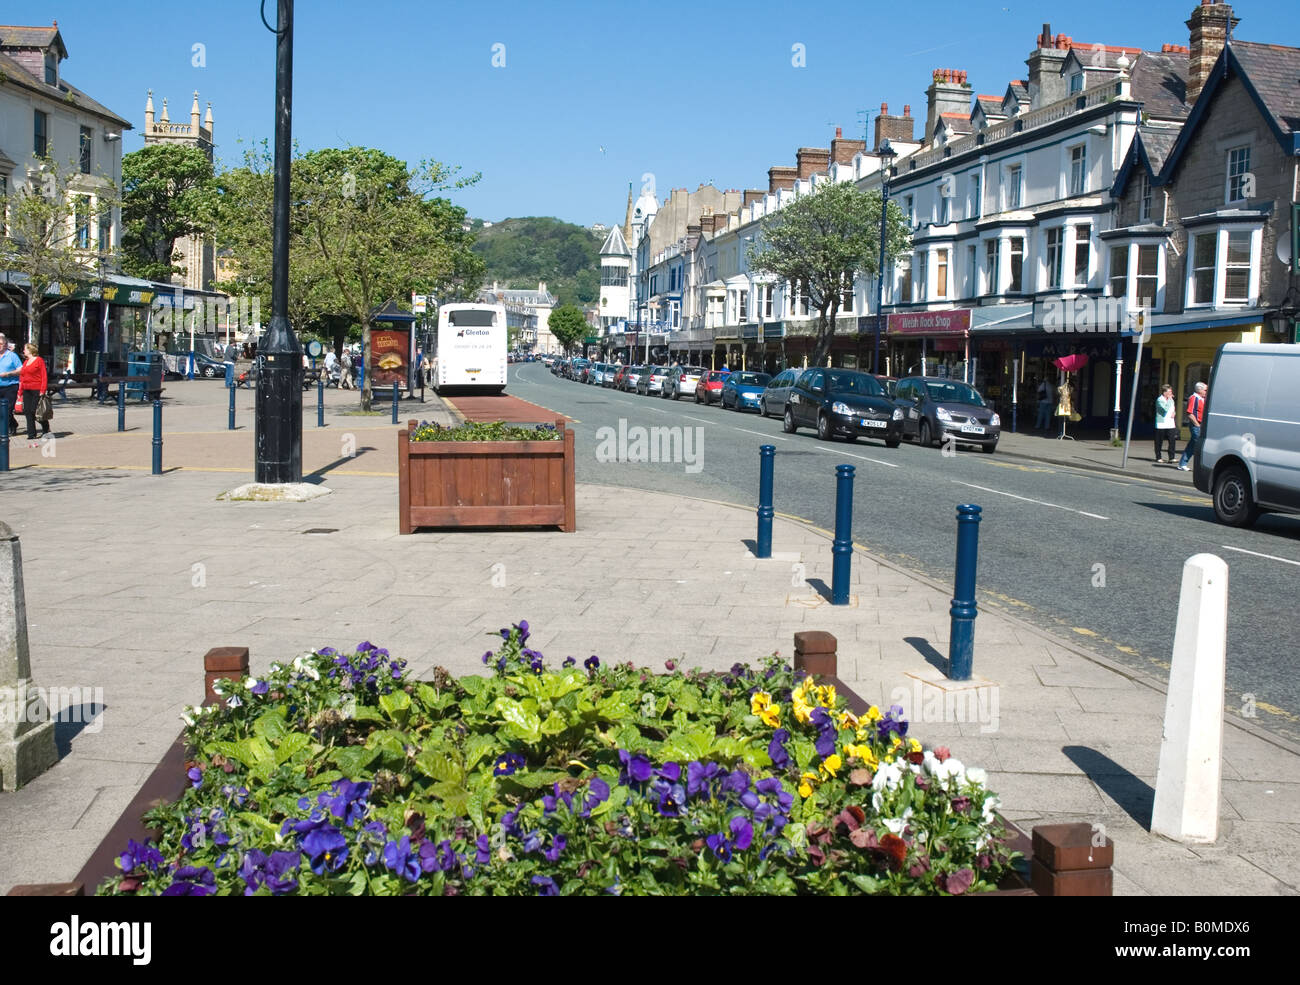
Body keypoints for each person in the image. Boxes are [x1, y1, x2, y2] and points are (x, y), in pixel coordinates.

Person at [15, 343, 49, 445]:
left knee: (34, 411)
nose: (23, 351)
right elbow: (22, 377)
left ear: (30, 350)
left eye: (25, 349)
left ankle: (45, 427)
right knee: (27, 411)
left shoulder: (39, 360)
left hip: (36, 389)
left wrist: (43, 390)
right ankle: (31, 433)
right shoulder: (25, 362)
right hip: (26, 389)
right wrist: (20, 391)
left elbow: (44, 376)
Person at [1178, 382, 1207, 471]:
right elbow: (1190, 413)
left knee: (1193, 445)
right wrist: (1197, 425)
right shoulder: (1194, 398)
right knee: (1199, 446)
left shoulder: (1203, 398)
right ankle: (1199, 466)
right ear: (1199, 390)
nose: (1206, 391)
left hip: (1202, 424)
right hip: (1196, 424)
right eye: (1205, 390)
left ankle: (1182, 464)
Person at [0, 334, 20, 435]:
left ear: (5, 345)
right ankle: (13, 424)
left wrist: (8, 374)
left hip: (10, 386)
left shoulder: (12, 356)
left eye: (1, 344)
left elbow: (20, 369)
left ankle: (3, 432)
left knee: (7, 409)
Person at [1154, 384, 1178, 464]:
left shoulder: (1171, 400)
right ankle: (1158, 457)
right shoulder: (1159, 400)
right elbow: (1164, 410)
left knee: (1172, 440)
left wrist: (1174, 412)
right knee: (1159, 441)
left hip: (1170, 423)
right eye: (1169, 391)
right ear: (1164, 392)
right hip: (1161, 424)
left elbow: (1172, 409)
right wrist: (1170, 400)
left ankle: (1171, 457)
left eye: (1171, 391)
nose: (1171, 393)